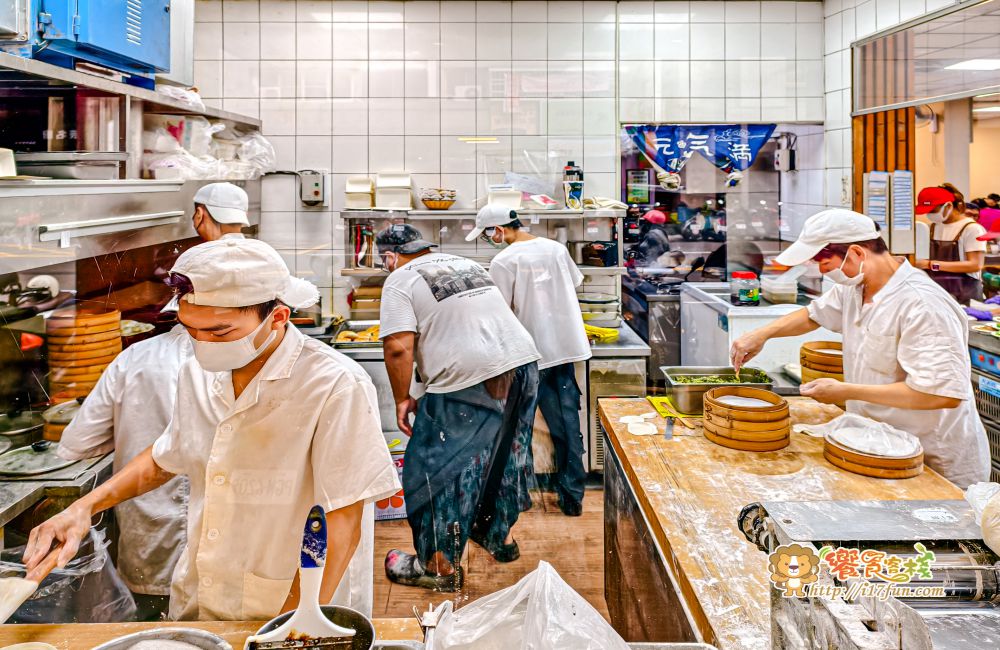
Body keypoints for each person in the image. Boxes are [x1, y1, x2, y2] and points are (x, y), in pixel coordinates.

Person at [25, 238, 400, 621]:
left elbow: (344, 519)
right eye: (191, 329)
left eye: (219, 333)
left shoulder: (335, 384)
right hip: (209, 591)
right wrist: (84, 507)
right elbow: (166, 457)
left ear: (278, 318)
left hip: (298, 600)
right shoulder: (198, 371)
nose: (202, 344)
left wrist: (296, 625)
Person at [730, 209, 989, 488]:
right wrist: (761, 334)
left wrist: (845, 391)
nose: (821, 270)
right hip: (879, 449)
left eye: (825, 263)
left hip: (933, 463)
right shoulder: (856, 287)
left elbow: (940, 394)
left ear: (856, 253)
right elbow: (813, 315)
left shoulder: (922, 304)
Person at [376, 224, 540, 591]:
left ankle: (438, 567)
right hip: (523, 365)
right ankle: (497, 535)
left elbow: (398, 347)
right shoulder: (466, 263)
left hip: (469, 381)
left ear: (389, 257)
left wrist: (403, 396)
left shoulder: (399, 279)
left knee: (432, 473)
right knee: (505, 459)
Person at [57, 321, 192, 621]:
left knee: (149, 632)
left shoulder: (134, 357)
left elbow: (78, 442)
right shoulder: (243, 363)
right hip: (221, 551)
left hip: (148, 536)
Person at [468, 205, 592, 516]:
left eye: (487, 233)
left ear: (499, 229)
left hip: (527, 355)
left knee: (515, 429)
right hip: (564, 351)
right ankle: (572, 498)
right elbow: (572, 285)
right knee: (567, 427)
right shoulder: (555, 249)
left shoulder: (504, 260)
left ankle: (517, 498)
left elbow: (499, 312)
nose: (489, 239)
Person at [915, 184, 985, 305]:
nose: (929, 214)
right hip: (937, 293)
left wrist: (930, 264)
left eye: (933, 210)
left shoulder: (972, 229)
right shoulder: (932, 227)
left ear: (948, 205)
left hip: (966, 295)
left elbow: (975, 265)